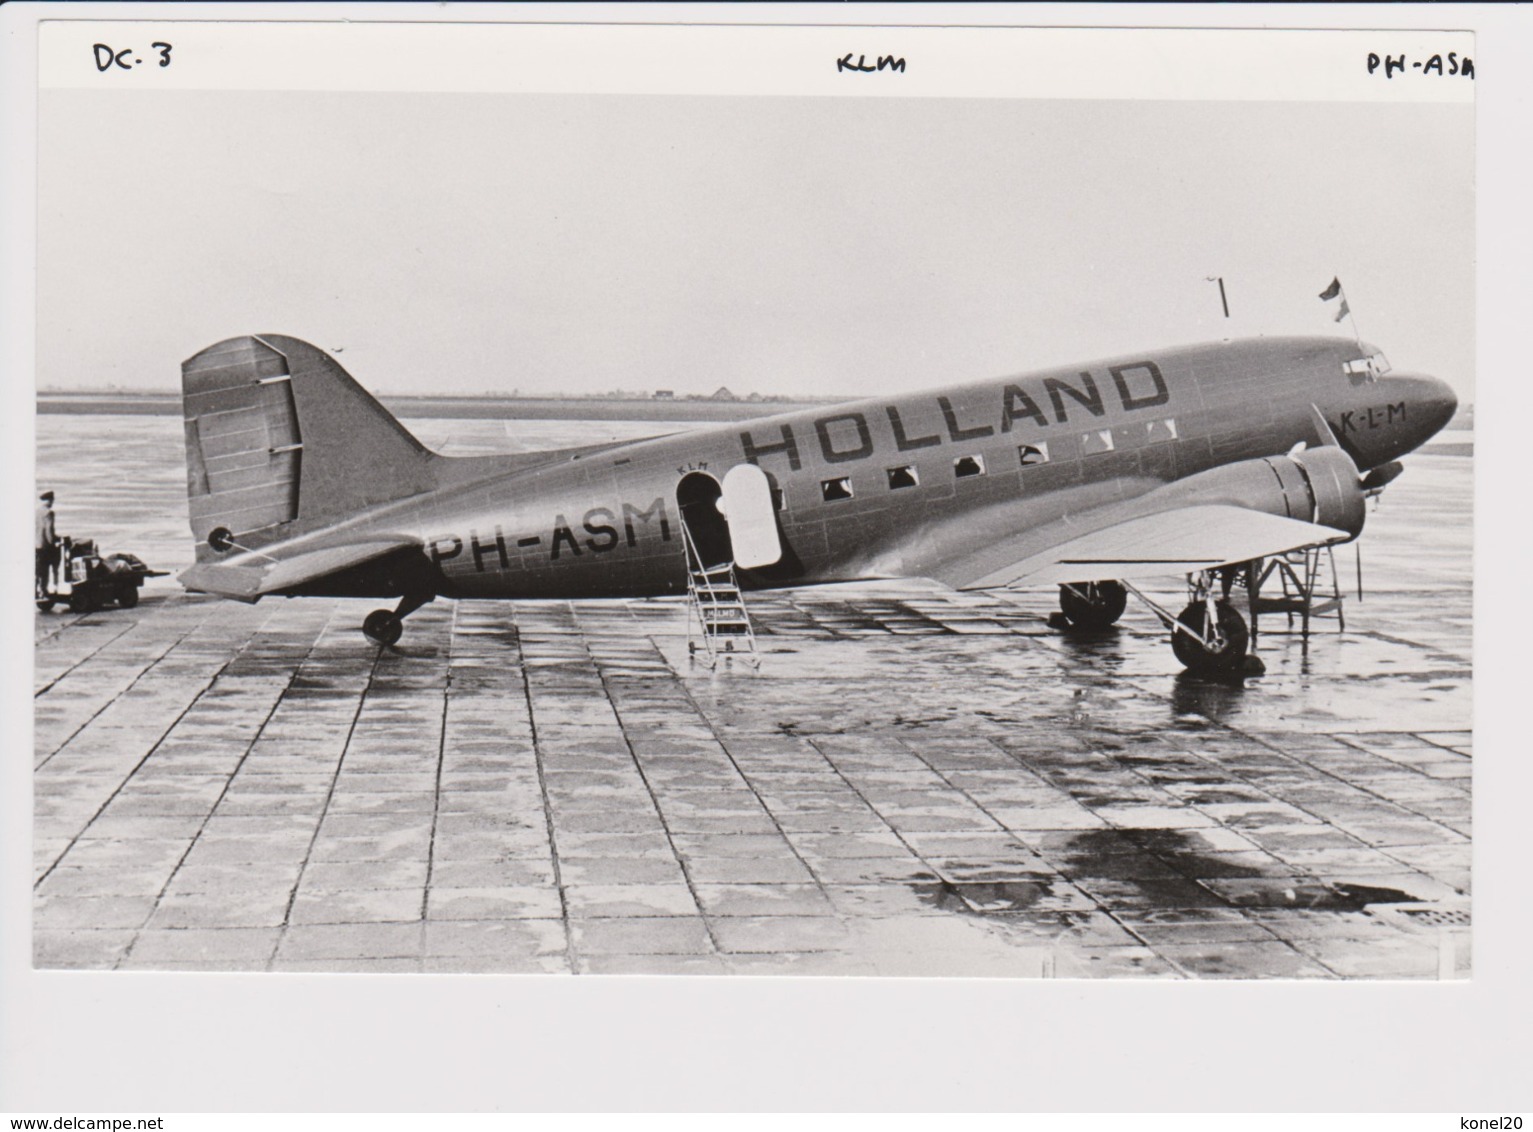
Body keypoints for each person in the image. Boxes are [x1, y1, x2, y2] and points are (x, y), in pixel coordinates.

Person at [35, 490, 58, 600]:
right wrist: (53, 542)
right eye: (52, 500)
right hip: (45, 546)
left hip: (36, 545)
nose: (53, 502)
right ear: (49, 500)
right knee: (47, 570)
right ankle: (45, 591)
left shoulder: (36, 511)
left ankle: (35, 591)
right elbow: (49, 531)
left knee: (38, 569)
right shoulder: (48, 513)